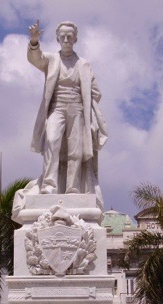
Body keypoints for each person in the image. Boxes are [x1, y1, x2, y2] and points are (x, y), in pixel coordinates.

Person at [27, 20, 107, 195]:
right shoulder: (51, 59)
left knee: (76, 150)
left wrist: (89, 103)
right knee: (51, 141)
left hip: (77, 109)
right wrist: (34, 41)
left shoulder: (83, 64)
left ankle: (73, 187)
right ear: (57, 38)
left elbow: (96, 92)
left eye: (69, 36)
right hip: (57, 107)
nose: (66, 39)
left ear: (75, 38)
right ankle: (49, 185)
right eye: (62, 36)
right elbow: (36, 59)